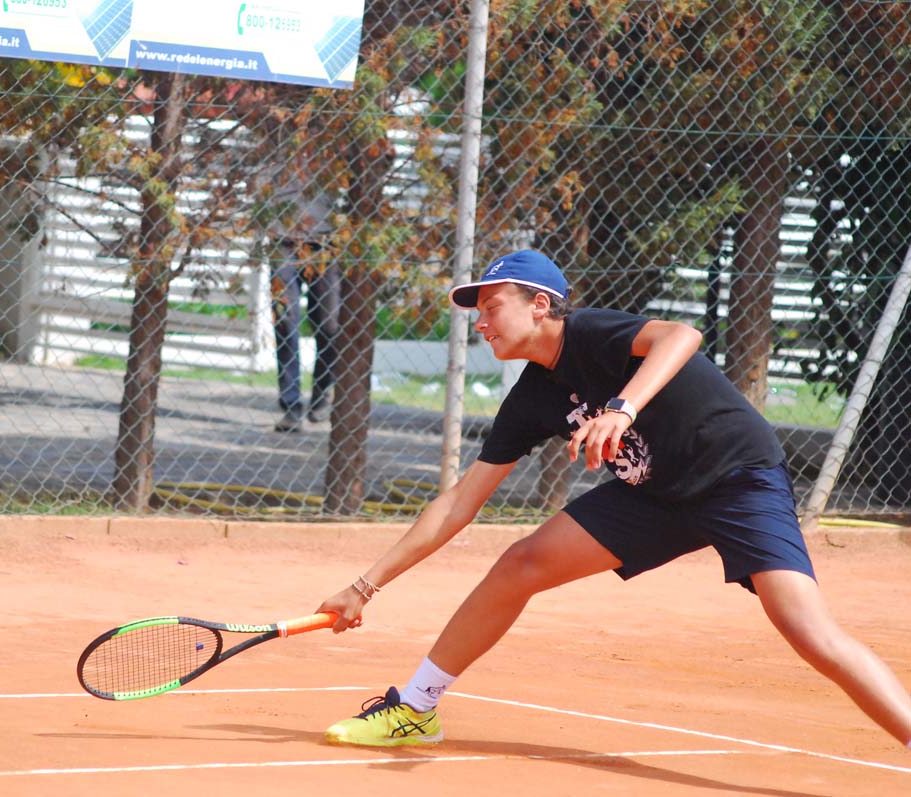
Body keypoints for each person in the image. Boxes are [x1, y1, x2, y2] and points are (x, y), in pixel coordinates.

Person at [316, 249, 911, 750]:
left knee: (807, 629)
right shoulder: (529, 399)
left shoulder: (590, 333)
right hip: (654, 496)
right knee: (520, 564)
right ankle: (416, 708)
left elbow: (682, 335)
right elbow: (458, 503)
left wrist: (622, 409)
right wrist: (364, 586)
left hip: (737, 478)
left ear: (540, 304)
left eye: (492, 307)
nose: (481, 323)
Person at [267, 180, 341, 433]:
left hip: (326, 239)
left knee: (330, 325)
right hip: (283, 239)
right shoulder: (273, 154)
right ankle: (291, 406)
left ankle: (321, 394)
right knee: (285, 321)